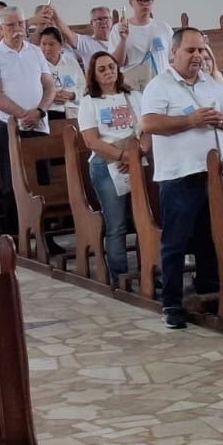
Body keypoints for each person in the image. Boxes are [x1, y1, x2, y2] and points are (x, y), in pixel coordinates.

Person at [141, 28, 223, 329]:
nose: (197, 56)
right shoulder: (159, 86)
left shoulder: (211, 83)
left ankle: (208, 294)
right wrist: (189, 121)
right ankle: (171, 303)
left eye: (200, 50)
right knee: (176, 242)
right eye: (190, 50)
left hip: (213, 174)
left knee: (211, 237)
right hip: (179, 176)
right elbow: (150, 122)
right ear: (174, 53)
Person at [0, 6, 55, 238]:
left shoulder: (35, 51)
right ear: (1, 28)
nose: (18, 29)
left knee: (42, 180)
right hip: (9, 126)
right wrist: (25, 115)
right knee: (12, 181)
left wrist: (40, 111)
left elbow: (49, 86)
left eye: (21, 24)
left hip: (39, 124)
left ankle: (45, 235)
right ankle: (17, 234)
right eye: (11, 25)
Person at [77, 51, 140, 284]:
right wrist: (123, 157)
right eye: (102, 69)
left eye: (111, 67)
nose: (108, 72)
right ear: (93, 74)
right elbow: (91, 141)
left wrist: (135, 157)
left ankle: (150, 273)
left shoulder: (133, 96)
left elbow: (147, 130)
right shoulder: (89, 102)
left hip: (136, 162)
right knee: (116, 225)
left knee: (145, 220)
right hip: (107, 164)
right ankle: (120, 277)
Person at [119, 0, 173, 90]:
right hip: (135, 88)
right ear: (131, 2)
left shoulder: (164, 28)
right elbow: (117, 63)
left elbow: (173, 58)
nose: (145, 3)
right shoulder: (119, 29)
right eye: (140, 0)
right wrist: (123, 40)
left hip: (164, 87)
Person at [37, 26, 84, 120]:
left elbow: (84, 87)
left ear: (61, 44)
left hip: (72, 110)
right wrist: (49, 96)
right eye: (44, 44)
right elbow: (31, 91)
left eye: (51, 44)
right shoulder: (36, 65)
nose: (47, 48)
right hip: (47, 112)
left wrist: (72, 95)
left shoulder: (71, 63)